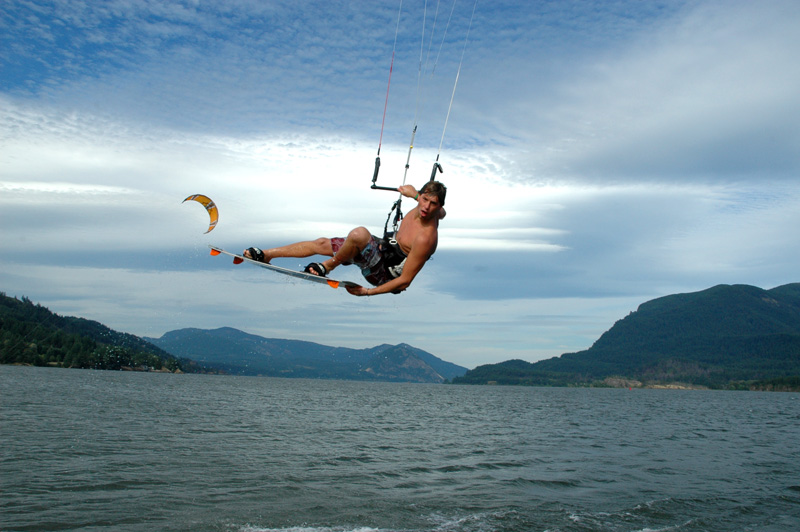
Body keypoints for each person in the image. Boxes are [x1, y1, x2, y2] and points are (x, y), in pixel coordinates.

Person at [243, 181, 447, 297]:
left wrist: (367, 292)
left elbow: (404, 282)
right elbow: (441, 211)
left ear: (439, 205)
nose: (426, 207)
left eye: (433, 204)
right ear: (420, 196)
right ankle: (267, 255)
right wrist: (413, 195)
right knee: (323, 243)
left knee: (359, 234)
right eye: (424, 199)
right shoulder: (427, 206)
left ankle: (328, 266)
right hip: (382, 249)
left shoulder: (426, 238)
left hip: (384, 274)